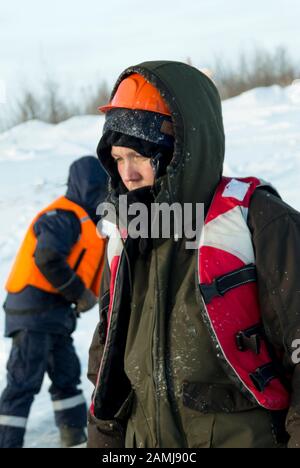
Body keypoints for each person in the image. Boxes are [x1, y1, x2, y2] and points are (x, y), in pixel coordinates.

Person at [87, 62, 300, 449]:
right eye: (118, 158)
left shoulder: (259, 222)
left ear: (180, 151)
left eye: (138, 156)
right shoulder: (125, 235)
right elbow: (107, 362)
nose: (127, 174)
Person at [0, 156, 108, 448]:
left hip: (52, 313)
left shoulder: (88, 221)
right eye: (102, 189)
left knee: (66, 375)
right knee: (23, 382)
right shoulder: (63, 216)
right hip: (34, 312)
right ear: (89, 187)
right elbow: (47, 258)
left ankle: (74, 437)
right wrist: (79, 293)